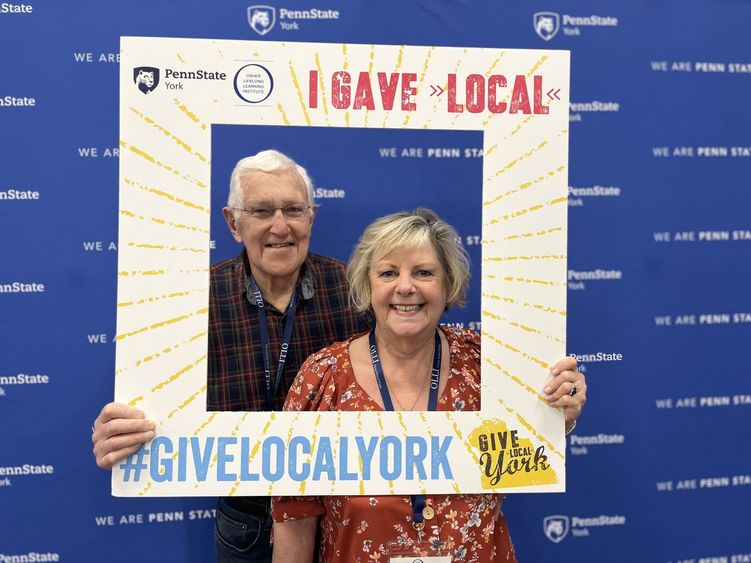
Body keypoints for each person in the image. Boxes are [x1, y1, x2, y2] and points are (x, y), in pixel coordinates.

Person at [91, 150, 367, 562]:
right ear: (232, 223)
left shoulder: (356, 291)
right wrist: (124, 432)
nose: (280, 226)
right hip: (247, 521)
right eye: (260, 210)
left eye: (293, 209)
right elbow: (153, 406)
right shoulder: (190, 301)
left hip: (346, 515)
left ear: (311, 217)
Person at [271, 209, 586, 563]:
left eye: (423, 272)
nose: (405, 287)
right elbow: (293, 516)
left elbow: (526, 447)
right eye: (389, 272)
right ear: (367, 284)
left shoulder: (490, 364)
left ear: (447, 283)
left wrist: (558, 412)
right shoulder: (323, 378)